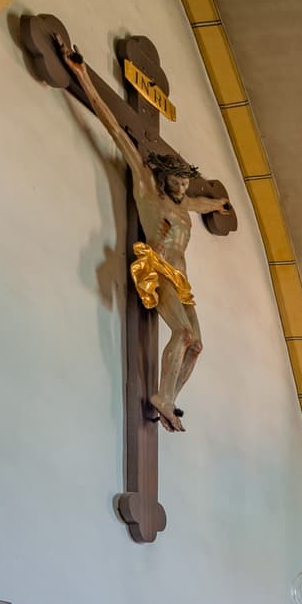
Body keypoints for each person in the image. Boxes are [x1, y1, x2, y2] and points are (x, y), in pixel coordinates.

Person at [56, 33, 231, 431]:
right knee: (183, 334)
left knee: (197, 345)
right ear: (165, 179)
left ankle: (170, 400)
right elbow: (116, 130)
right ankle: (162, 398)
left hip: (182, 278)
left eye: (186, 186)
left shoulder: (186, 204)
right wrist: (81, 76)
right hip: (159, 266)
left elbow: (206, 203)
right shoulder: (149, 192)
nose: (183, 190)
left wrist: (219, 205)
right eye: (178, 184)